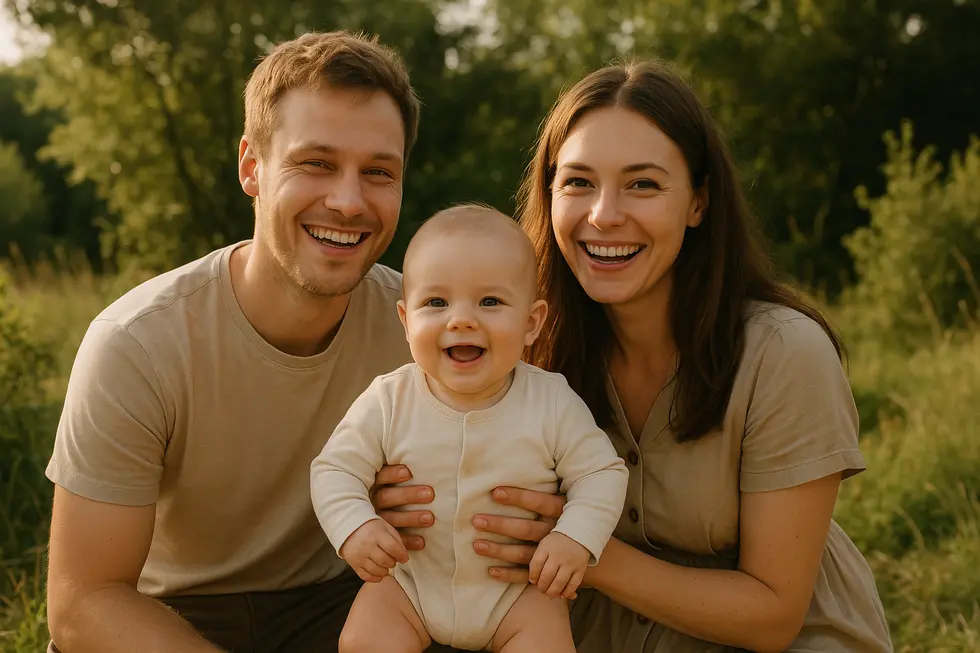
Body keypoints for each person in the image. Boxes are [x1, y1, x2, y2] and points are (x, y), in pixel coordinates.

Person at [369, 59, 894, 652]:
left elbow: (773, 616)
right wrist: (409, 497)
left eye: (642, 184)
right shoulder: (520, 350)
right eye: (578, 182)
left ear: (698, 201)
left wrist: (578, 549)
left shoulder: (782, 354)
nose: (604, 215)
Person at [42, 30, 455, 653]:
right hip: (169, 616)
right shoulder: (137, 345)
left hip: (347, 605)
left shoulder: (423, 330)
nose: (348, 201)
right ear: (251, 167)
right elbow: (85, 602)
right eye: (315, 163)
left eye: (378, 172)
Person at [309, 204, 629, 653]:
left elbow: (602, 474)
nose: (461, 319)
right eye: (436, 303)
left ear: (531, 322)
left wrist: (573, 537)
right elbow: (334, 470)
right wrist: (355, 527)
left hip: (518, 592)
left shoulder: (551, 401)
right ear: (406, 321)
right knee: (364, 639)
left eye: (490, 302)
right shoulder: (388, 400)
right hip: (410, 584)